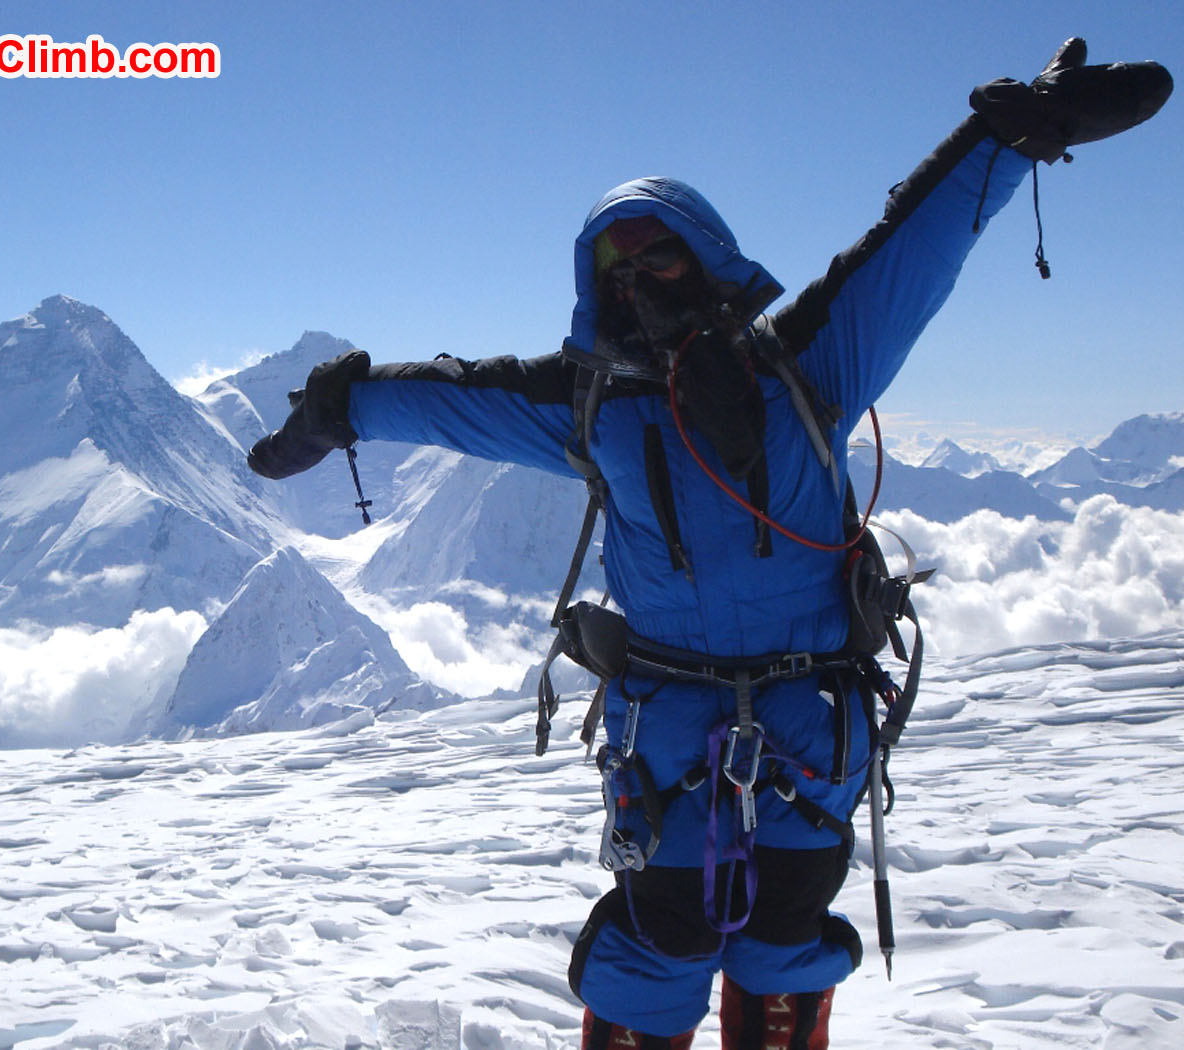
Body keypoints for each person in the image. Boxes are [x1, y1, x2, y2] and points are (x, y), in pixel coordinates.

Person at [248, 39, 1170, 1050]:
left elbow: (906, 248)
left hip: (776, 719)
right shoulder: (593, 403)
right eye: (618, 268)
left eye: (658, 255)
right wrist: (345, 407)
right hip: (712, 725)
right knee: (666, 931)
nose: (638, 282)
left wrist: (1002, 136)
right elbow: (455, 401)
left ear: (705, 257)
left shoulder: (809, 360)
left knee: (780, 925)